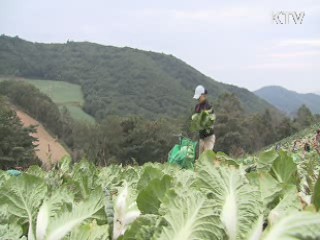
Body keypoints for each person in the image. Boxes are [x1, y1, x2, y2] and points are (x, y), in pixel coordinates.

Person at [193, 85, 216, 155]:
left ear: (204, 96)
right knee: (200, 160)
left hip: (209, 137)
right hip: (201, 138)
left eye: (199, 97)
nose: (198, 99)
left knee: (206, 158)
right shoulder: (197, 107)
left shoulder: (209, 107)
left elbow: (211, 122)